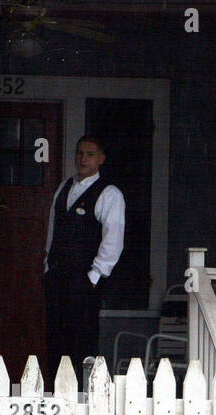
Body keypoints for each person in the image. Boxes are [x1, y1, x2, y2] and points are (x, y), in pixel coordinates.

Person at [43, 135, 125, 383]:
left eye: (90, 154)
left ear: (100, 159)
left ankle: (84, 400)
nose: (83, 159)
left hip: (83, 281)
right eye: (79, 153)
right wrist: (47, 266)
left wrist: (94, 276)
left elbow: (113, 238)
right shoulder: (63, 187)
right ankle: (57, 397)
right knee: (56, 341)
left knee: (82, 342)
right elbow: (53, 230)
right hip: (56, 278)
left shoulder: (109, 194)